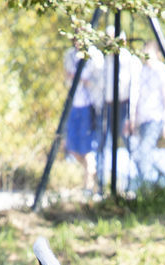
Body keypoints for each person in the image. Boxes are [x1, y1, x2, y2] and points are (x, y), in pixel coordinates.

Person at [127, 40, 165, 190]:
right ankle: (162, 179)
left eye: (149, 52)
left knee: (144, 151)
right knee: (139, 153)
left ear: (157, 54)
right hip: (141, 119)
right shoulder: (141, 71)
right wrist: (132, 120)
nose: (146, 55)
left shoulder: (162, 71)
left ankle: (149, 187)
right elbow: (136, 97)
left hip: (155, 118)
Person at [97, 30, 139, 192]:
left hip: (124, 106)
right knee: (101, 144)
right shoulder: (104, 61)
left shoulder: (130, 61)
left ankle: (134, 184)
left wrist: (132, 115)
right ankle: (101, 185)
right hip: (106, 106)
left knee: (130, 144)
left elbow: (134, 89)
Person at [63, 44, 102, 195]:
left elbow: (96, 80)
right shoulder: (69, 54)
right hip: (73, 104)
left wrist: (81, 78)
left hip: (89, 105)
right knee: (72, 148)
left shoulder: (94, 55)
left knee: (87, 149)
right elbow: (68, 77)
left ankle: (89, 185)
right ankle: (90, 175)